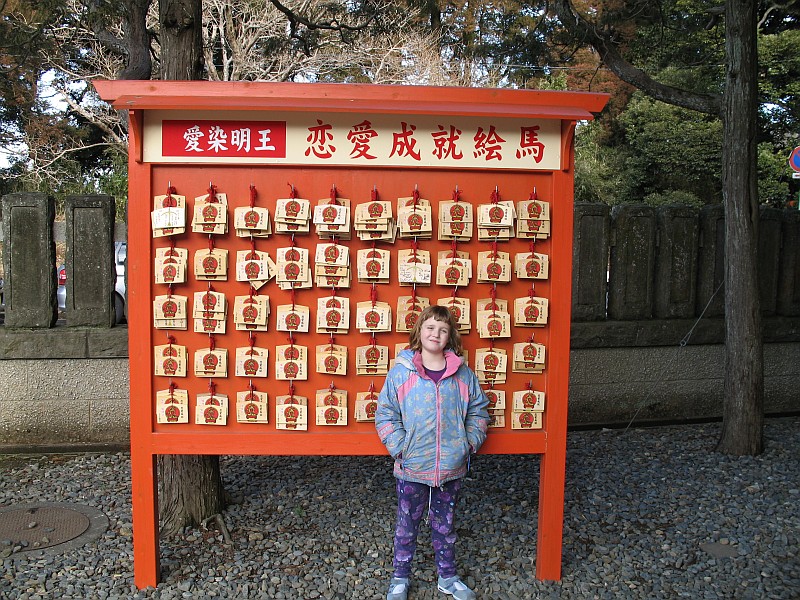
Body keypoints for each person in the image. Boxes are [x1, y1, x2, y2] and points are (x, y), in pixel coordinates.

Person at [376, 305, 490, 600]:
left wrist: (469, 442)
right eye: (429, 327)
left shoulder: (463, 375)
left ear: (450, 335)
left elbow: (478, 410)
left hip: (451, 466)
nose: (435, 334)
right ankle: (400, 578)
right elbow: (386, 413)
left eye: (442, 329)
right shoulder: (402, 373)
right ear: (419, 331)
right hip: (412, 466)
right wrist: (400, 447)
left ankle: (448, 577)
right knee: (406, 524)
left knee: (445, 525)